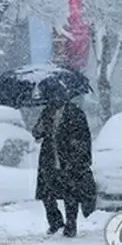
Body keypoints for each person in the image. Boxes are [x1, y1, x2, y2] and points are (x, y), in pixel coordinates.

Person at [32, 97, 96, 237]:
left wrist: (80, 156)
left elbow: (84, 136)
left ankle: (71, 224)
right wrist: (41, 127)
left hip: (69, 159)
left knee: (70, 193)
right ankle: (55, 222)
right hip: (49, 159)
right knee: (47, 193)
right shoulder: (47, 112)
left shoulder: (75, 113)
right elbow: (36, 133)